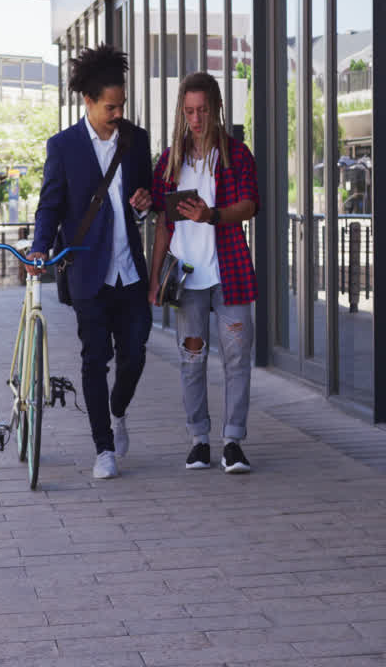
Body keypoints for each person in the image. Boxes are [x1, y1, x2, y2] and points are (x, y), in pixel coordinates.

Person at [28, 44, 154, 480]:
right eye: (110, 106)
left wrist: (143, 202)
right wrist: (40, 247)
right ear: (88, 101)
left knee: (135, 353)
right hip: (88, 271)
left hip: (131, 270)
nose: (117, 112)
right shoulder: (63, 147)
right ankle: (104, 448)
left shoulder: (135, 140)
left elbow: (145, 194)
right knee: (94, 358)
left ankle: (117, 411)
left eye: (121, 105)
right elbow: (50, 205)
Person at [149, 72, 260, 474]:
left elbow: (249, 206)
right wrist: (153, 277)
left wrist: (210, 215)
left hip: (228, 273)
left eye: (203, 111)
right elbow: (163, 221)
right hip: (187, 279)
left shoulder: (236, 154)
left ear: (216, 110)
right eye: (189, 111)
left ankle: (233, 441)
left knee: (236, 358)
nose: (196, 119)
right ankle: (198, 440)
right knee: (191, 359)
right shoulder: (171, 159)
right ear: (182, 111)